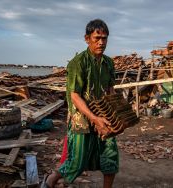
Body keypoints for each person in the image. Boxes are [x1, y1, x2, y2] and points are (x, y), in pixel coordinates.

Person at [41, 19, 119, 188]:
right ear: (87, 38)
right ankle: (49, 182)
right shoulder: (77, 63)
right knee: (75, 162)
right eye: (97, 38)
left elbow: (111, 90)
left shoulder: (108, 63)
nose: (101, 42)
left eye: (104, 38)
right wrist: (94, 119)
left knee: (110, 157)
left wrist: (116, 114)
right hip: (81, 118)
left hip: (103, 116)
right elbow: (75, 96)